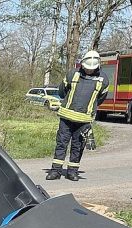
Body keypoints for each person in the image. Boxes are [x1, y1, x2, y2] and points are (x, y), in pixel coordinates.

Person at [47, 50, 110, 181]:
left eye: (91, 69)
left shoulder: (103, 80)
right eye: (87, 68)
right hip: (66, 117)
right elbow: (61, 91)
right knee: (61, 144)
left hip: (84, 120)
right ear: (82, 64)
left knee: (78, 146)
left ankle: (72, 172)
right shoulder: (73, 74)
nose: (89, 71)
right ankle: (55, 171)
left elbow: (100, 99)